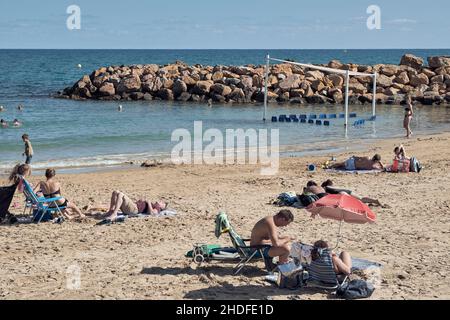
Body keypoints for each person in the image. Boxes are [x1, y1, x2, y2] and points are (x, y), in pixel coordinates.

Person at [103, 190, 168, 220]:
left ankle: (114, 213)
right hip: (133, 207)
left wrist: (148, 203)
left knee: (121, 194)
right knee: (115, 192)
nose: (161, 201)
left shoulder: (157, 208)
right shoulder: (153, 204)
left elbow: (152, 213)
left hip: (134, 210)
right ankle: (111, 211)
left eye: (162, 203)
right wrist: (140, 201)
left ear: (161, 207)